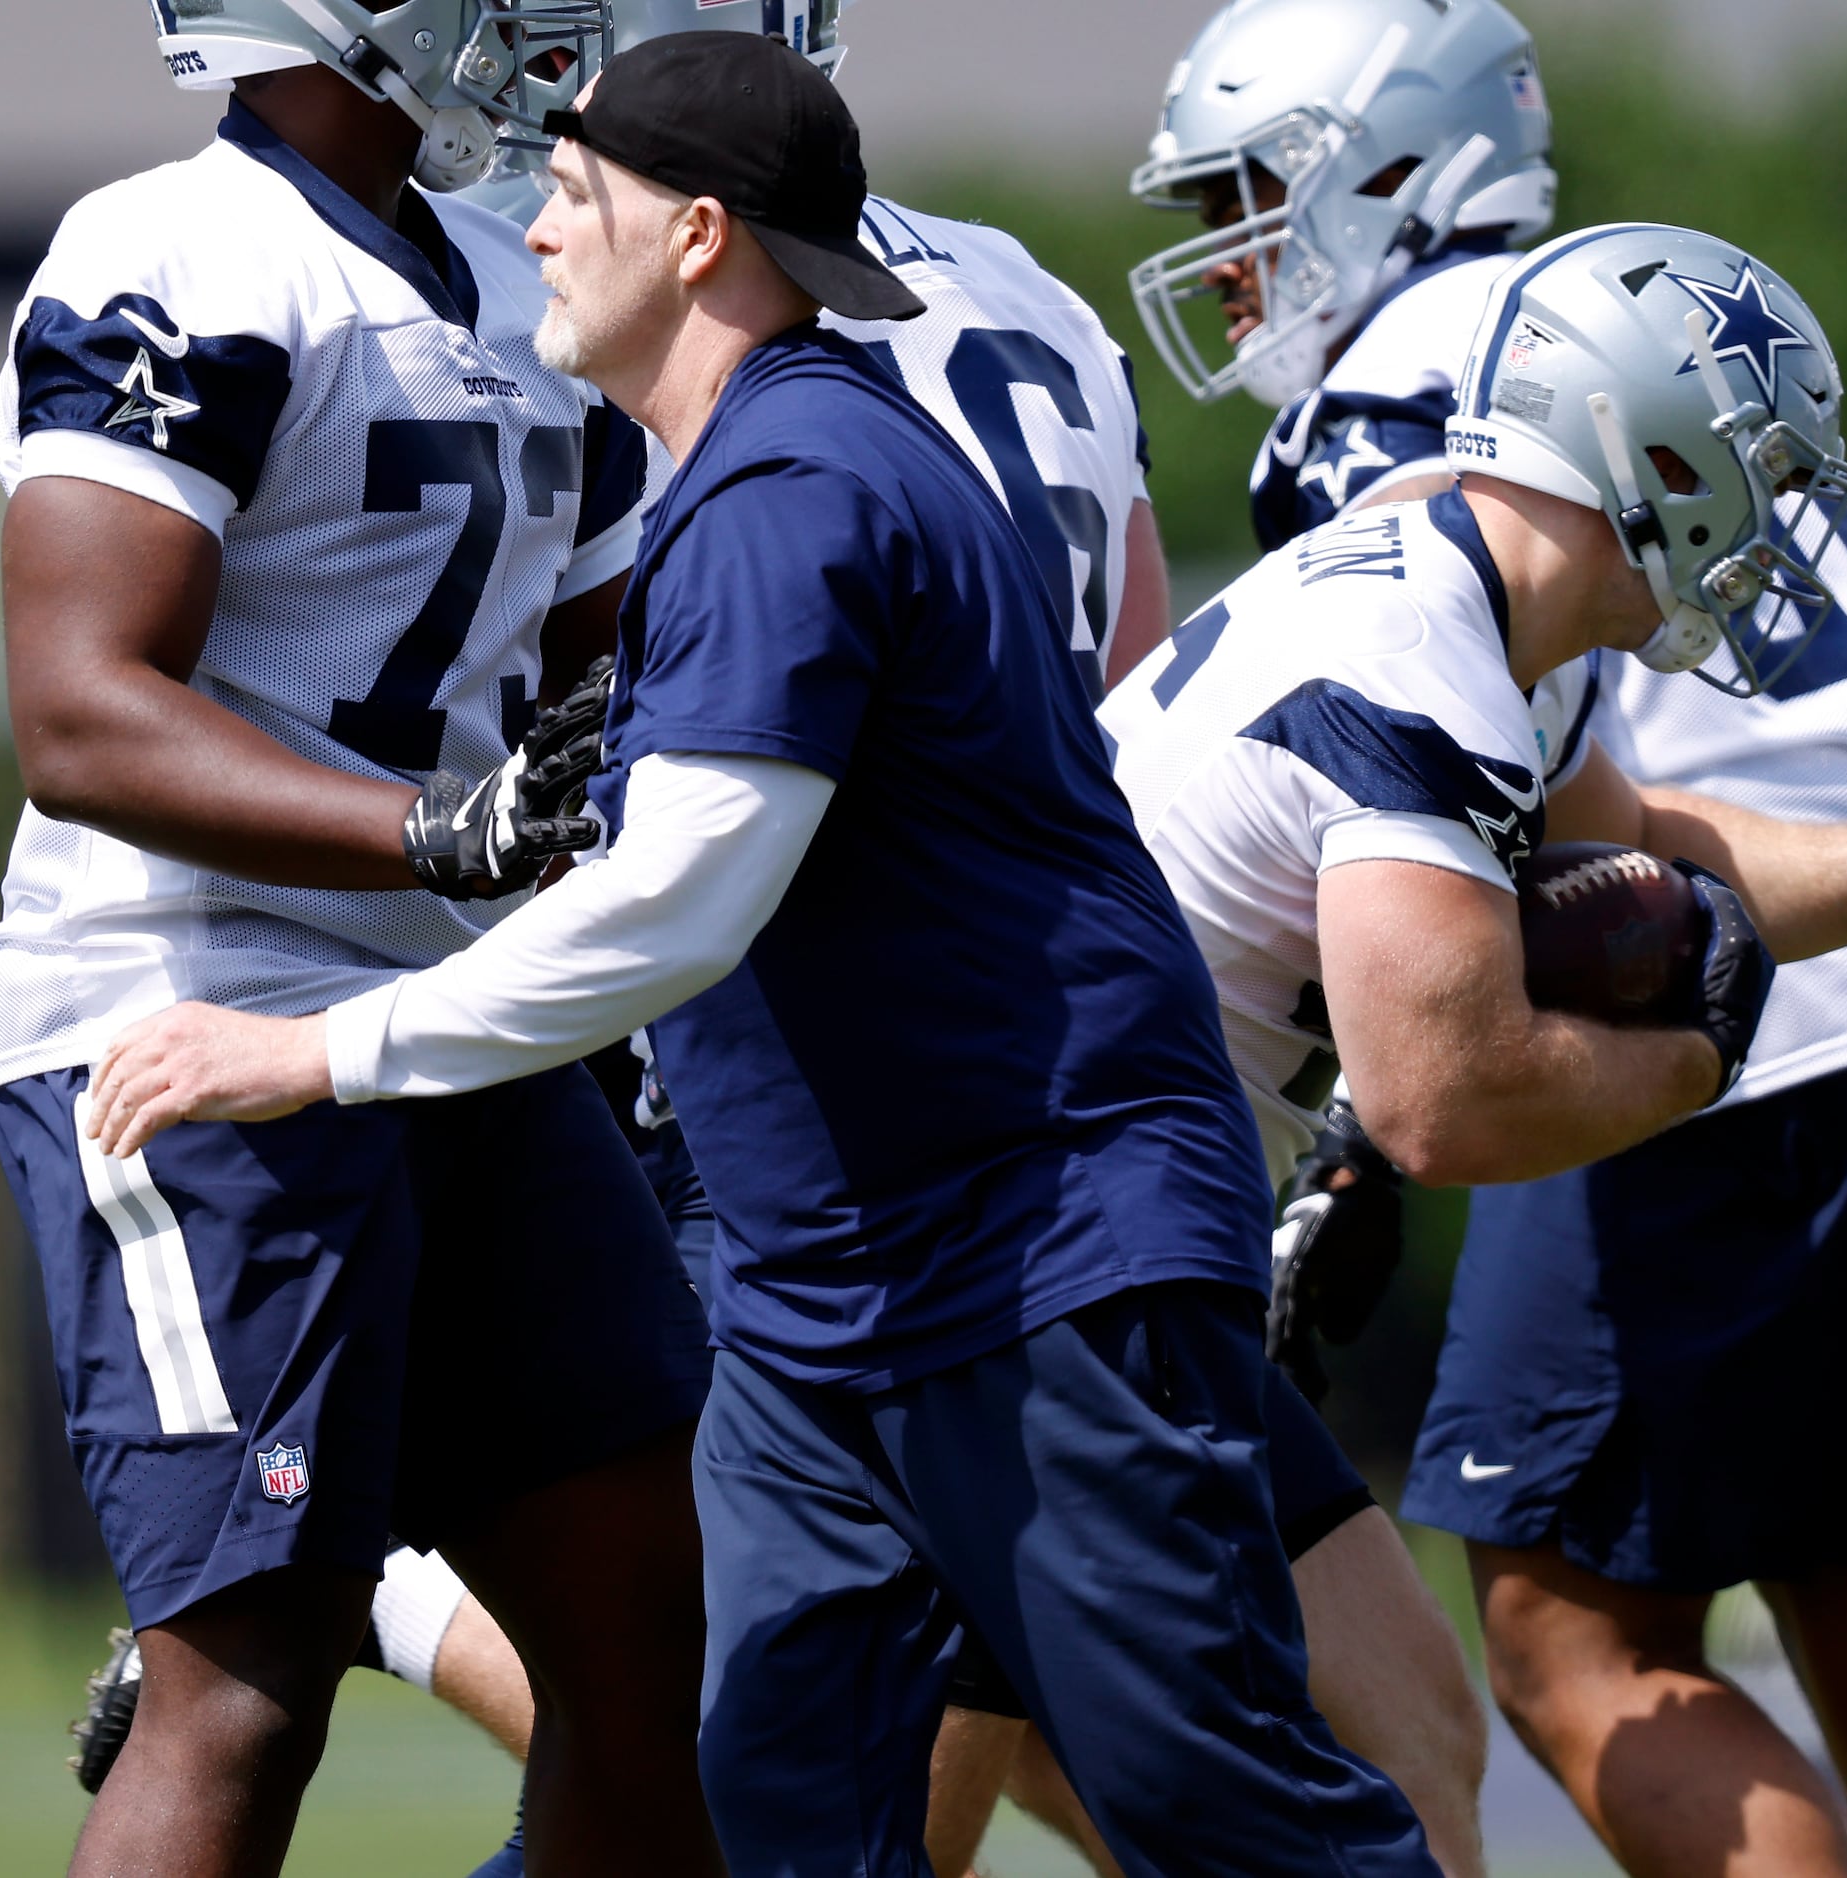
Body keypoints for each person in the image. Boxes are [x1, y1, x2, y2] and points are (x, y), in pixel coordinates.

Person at [81, 34, 1450, 1878]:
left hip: (1030, 1249)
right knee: (769, 1821)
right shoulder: (755, 466)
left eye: (579, 197)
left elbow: (679, 902)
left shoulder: (793, 484)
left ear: (702, 232)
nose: (539, 234)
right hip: (826, 1295)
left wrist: (309, 1049)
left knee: (1217, 1811)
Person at [1131, 6, 1847, 1874]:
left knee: (1572, 1637)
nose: (1232, 256)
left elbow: (1460, 814)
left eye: (1255, 192)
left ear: (1393, 168)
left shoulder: (1424, 387)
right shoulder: (1644, 307)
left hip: (1714, 964)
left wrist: (1360, 1131)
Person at [0, 4, 724, 1874]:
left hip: (453, 1013)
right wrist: (435, 823)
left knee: (648, 1629)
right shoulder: (177, 250)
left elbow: (585, 670)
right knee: (244, 1679)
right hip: (185, 1006)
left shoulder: (515, 264)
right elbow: (79, 710)